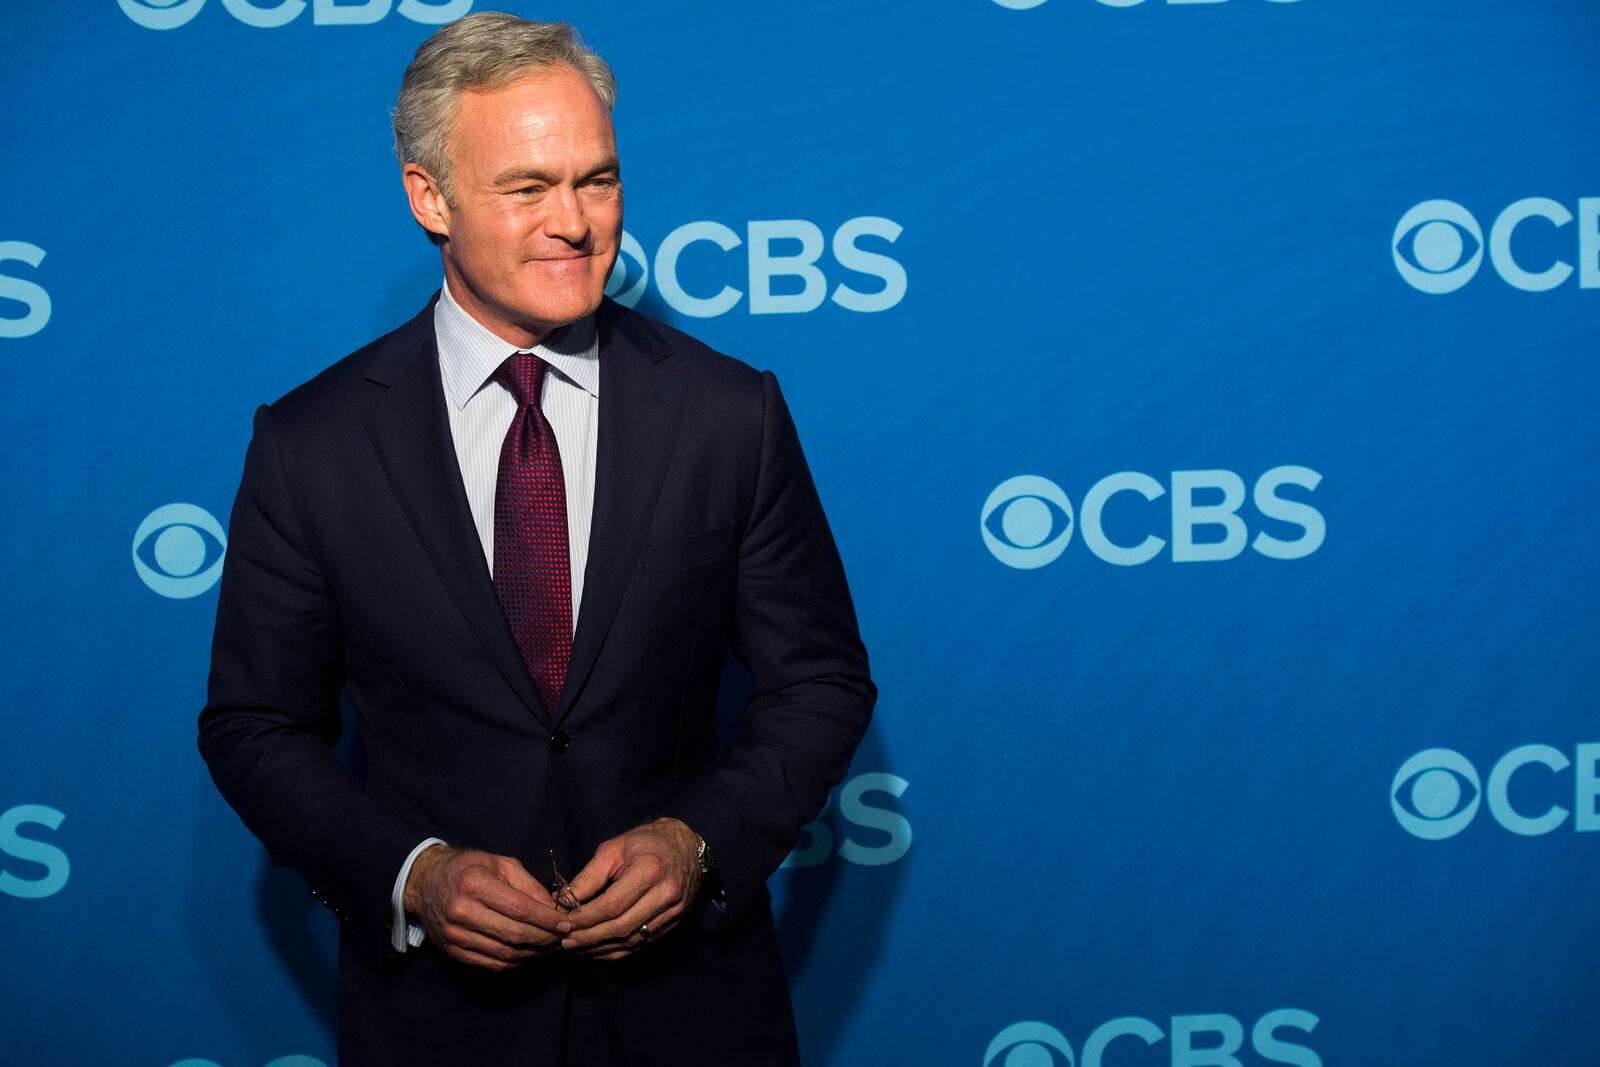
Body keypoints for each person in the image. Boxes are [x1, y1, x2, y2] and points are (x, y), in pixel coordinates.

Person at [197, 12, 874, 1065]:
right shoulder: (312, 444)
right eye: (527, 187)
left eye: (595, 180)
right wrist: (413, 872)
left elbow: (820, 683)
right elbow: (254, 725)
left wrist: (695, 842)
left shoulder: (726, 412)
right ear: (430, 197)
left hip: (691, 1011)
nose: (574, 222)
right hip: (438, 1022)